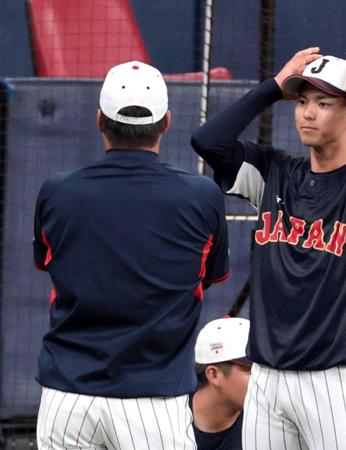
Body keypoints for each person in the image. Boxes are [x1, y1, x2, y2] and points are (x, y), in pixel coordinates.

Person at [191, 47, 346, 449]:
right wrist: (274, 88)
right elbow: (208, 140)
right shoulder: (274, 172)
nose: (307, 112)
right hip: (267, 376)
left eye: (324, 103)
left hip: (335, 377)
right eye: (303, 101)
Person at [33, 61, 230, 450]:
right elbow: (208, 277)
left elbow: (46, 262)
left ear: (100, 121)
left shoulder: (57, 191)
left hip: (68, 397)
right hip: (154, 400)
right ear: (167, 122)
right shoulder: (202, 195)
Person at [191, 317, 251, 450]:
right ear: (213, 374)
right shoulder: (166, 420)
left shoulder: (268, 423)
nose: (261, 379)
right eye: (250, 370)